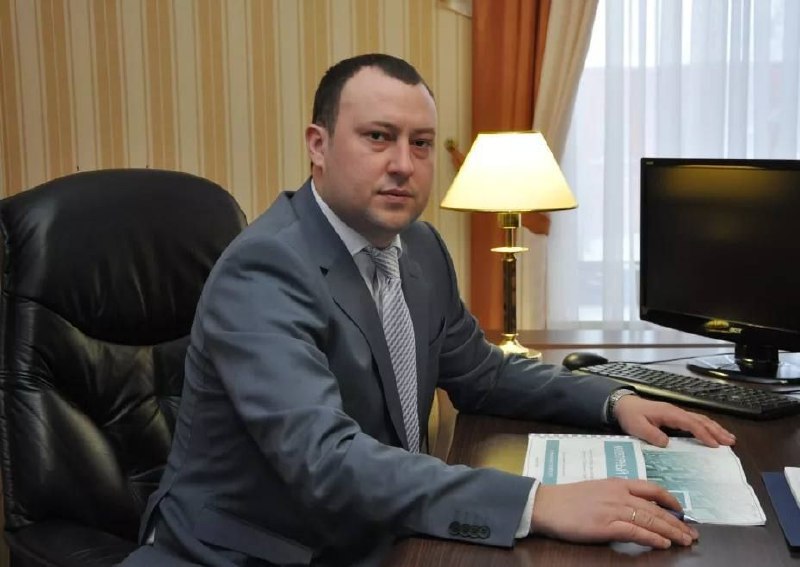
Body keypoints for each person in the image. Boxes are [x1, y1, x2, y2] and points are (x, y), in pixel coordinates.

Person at [121, 53, 735, 566]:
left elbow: (483, 373)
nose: (403, 164)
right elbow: (326, 461)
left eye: (420, 144)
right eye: (378, 137)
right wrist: (538, 503)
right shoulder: (265, 269)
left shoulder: (418, 246)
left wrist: (613, 400)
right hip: (254, 552)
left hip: (379, 533)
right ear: (318, 145)